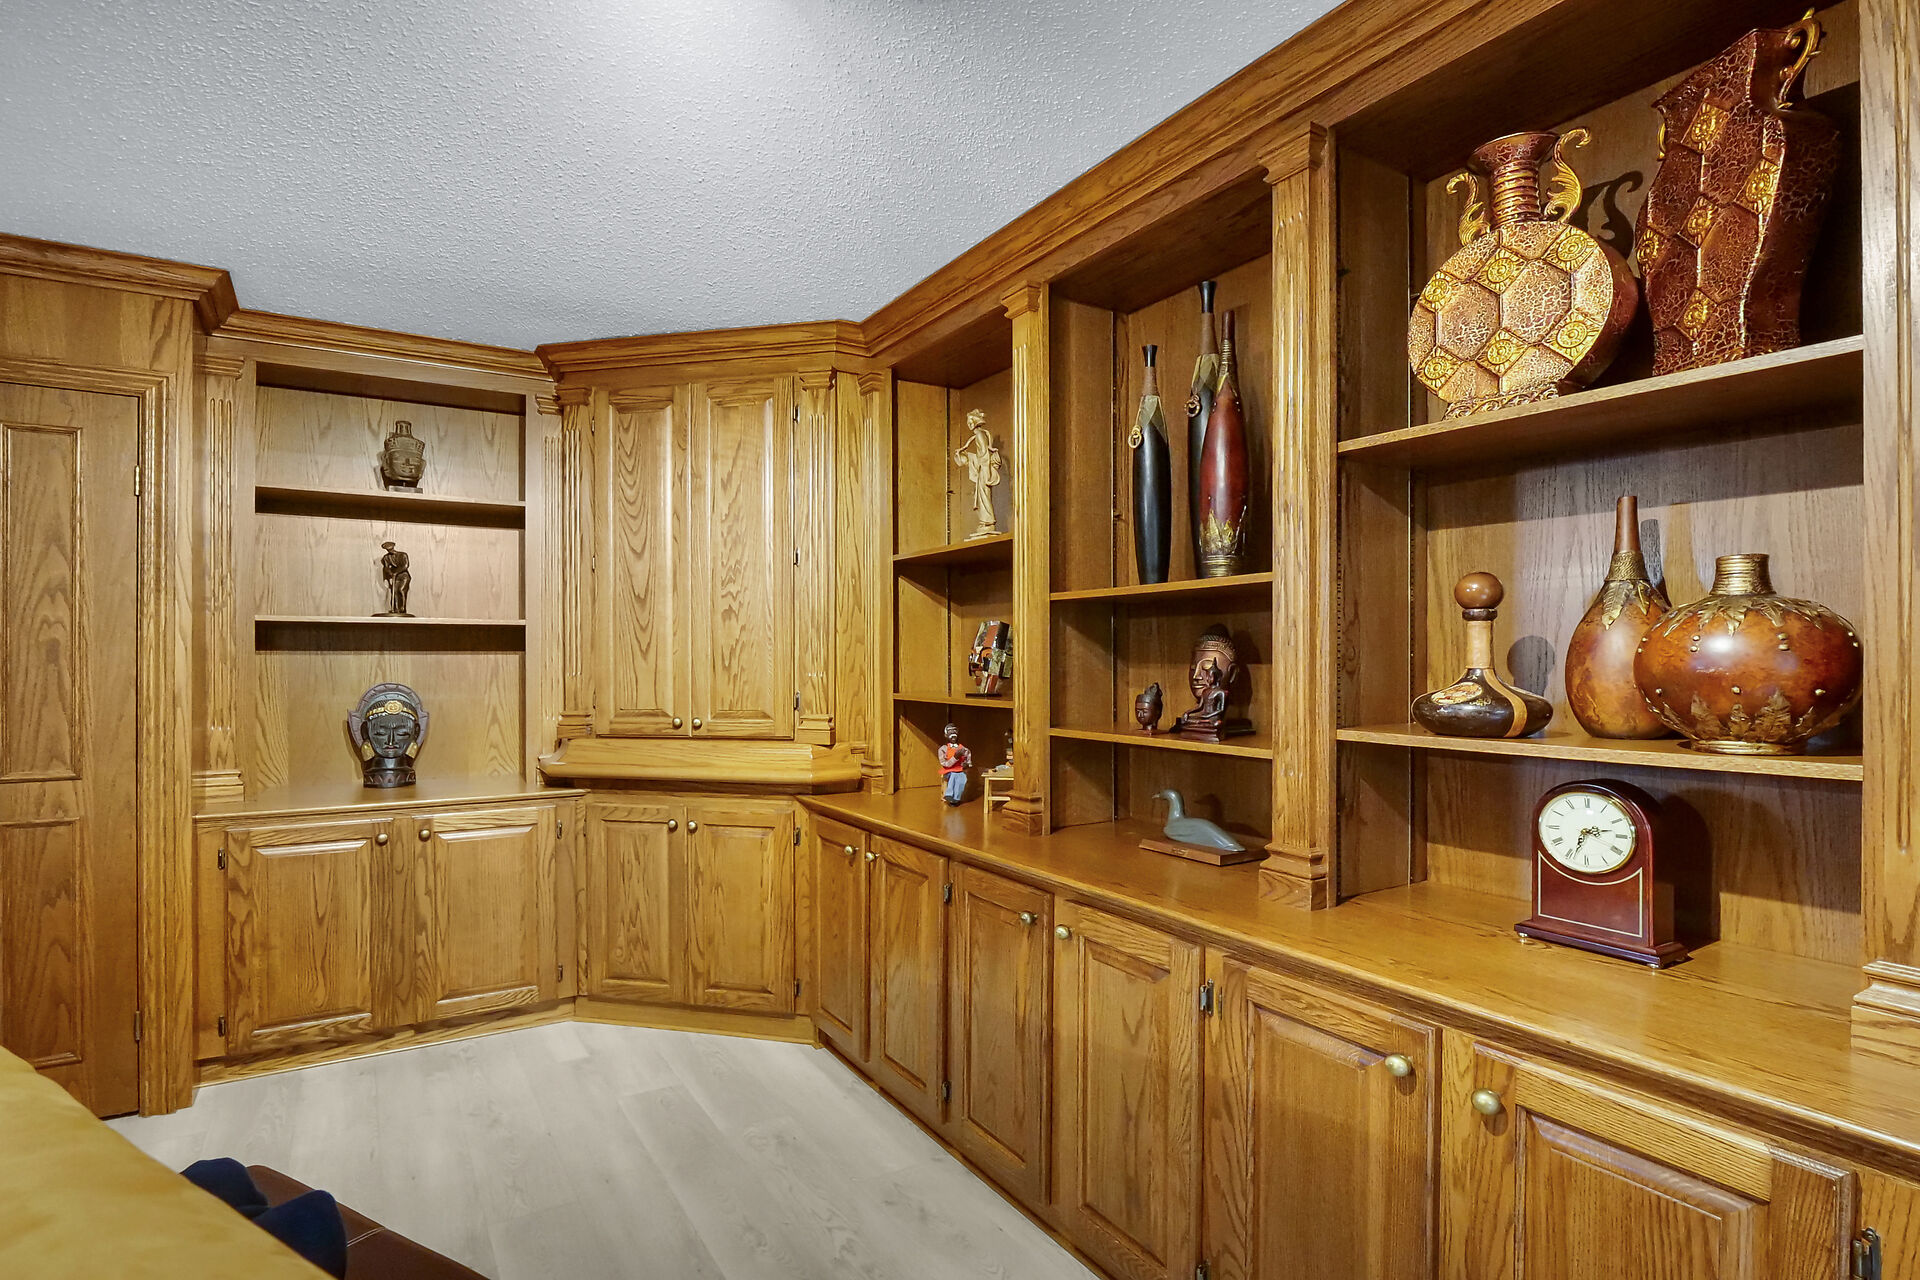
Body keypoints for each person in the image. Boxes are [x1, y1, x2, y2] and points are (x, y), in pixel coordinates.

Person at [937, 723, 972, 805]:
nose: (953, 733)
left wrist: (966, 765)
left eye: (955, 731)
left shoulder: (964, 749)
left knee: (962, 778)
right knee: (954, 775)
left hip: (960, 770)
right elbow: (945, 764)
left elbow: (969, 762)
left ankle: (956, 798)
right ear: (946, 735)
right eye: (950, 731)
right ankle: (950, 795)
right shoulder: (943, 749)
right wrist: (955, 757)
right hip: (948, 771)